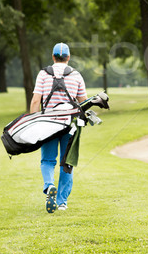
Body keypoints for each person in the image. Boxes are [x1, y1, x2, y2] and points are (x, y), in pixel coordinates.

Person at [30, 42, 87, 213]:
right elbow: (83, 102)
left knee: (47, 160)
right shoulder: (76, 75)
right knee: (66, 162)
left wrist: (34, 122)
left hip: (48, 123)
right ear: (68, 57)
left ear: (53, 56)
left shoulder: (43, 74)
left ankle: (49, 186)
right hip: (69, 124)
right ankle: (62, 202)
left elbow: (35, 101)